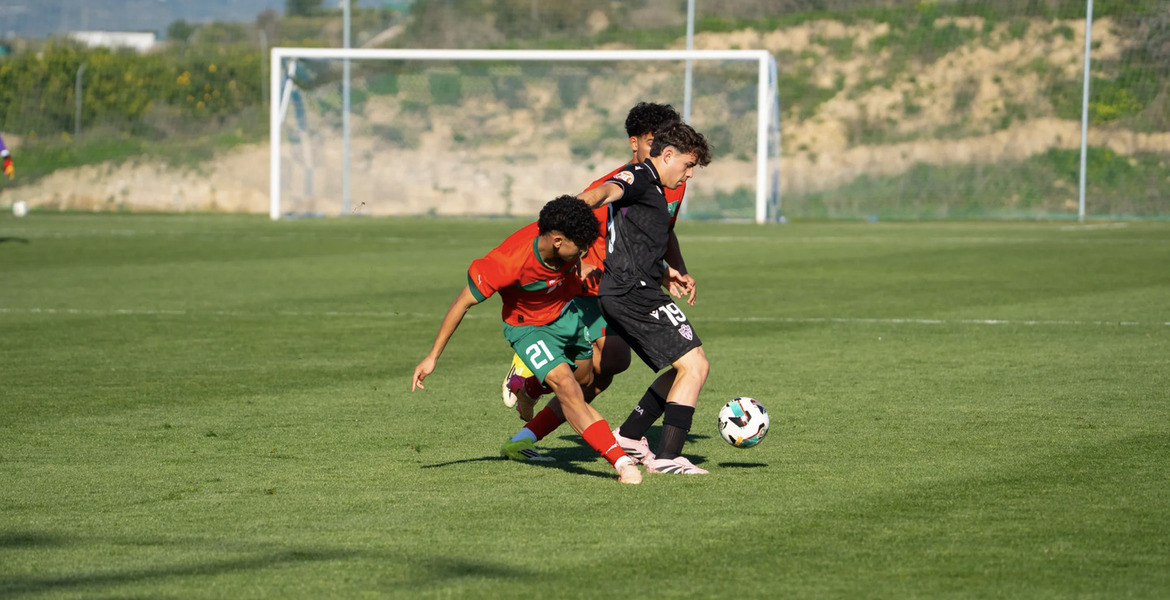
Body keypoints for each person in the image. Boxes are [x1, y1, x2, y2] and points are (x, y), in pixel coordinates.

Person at [500, 102, 693, 463]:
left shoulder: (673, 184)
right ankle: (533, 372)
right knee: (597, 369)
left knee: (610, 368)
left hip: (627, 282)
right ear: (634, 142)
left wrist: (674, 269)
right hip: (598, 284)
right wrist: (585, 258)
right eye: (651, 140)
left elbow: (663, 231)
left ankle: (524, 430)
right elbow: (578, 212)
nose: (657, 149)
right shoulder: (626, 179)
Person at [411, 195, 642, 485]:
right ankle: (620, 462)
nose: (584, 252)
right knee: (568, 388)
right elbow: (462, 304)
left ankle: (527, 386)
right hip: (528, 327)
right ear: (558, 241)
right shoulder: (507, 262)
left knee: (585, 381)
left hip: (566, 314)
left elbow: (573, 254)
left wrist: (580, 266)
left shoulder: (561, 236)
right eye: (581, 248)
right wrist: (433, 356)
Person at [580, 121, 713, 475]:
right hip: (632, 293)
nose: (688, 176)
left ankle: (629, 435)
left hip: (635, 289)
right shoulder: (639, 175)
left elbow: (637, 238)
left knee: (690, 365)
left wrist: (668, 270)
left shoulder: (652, 185)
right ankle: (668, 457)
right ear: (667, 155)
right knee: (694, 366)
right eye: (687, 165)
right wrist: (570, 211)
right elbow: (605, 192)